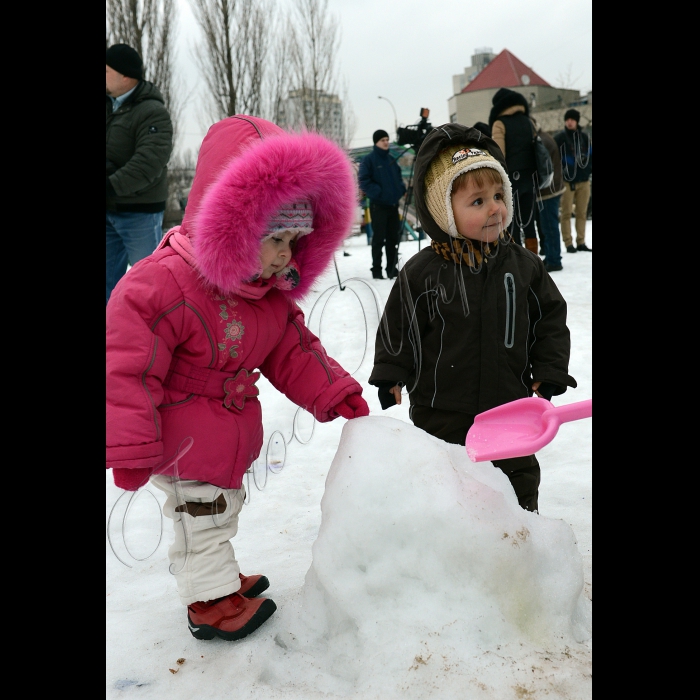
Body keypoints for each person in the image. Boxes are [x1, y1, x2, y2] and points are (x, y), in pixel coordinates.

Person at [106, 115, 370, 642]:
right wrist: (130, 444)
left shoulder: (266, 295)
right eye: (275, 239)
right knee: (198, 516)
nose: (285, 256)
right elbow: (126, 363)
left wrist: (332, 389)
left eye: (295, 241)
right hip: (181, 440)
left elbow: (293, 350)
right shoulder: (165, 284)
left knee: (218, 511)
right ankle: (209, 602)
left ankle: (219, 577)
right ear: (231, 227)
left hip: (223, 440)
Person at [368, 123, 577, 513]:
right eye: (477, 202)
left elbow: (550, 318)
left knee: (518, 477)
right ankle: (450, 549)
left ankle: (522, 537)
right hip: (441, 409)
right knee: (446, 482)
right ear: (443, 212)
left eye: (499, 195)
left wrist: (549, 368)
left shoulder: (525, 265)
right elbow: (401, 325)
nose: (495, 208)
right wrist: (391, 372)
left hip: (509, 402)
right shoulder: (422, 272)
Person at [106, 43, 173, 304]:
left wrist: (110, 185)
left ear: (125, 76)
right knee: (108, 283)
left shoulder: (152, 112)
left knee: (150, 282)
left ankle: (154, 333)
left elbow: (149, 162)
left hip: (139, 213)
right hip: (109, 210)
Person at [488, 88, 540, 254]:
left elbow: (499, 155)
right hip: (530, 176)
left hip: (512, 179)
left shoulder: (499, 123)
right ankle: (534, 259)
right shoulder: (528, 121)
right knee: (529, 221)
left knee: (512, 222)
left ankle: (517, 260)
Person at [358, 129, 407, 279]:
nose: (386, 142)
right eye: (382, 140)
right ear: (376, 142)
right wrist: (378, 192)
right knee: (379, 239)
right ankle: (377, 270)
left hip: (393, 206)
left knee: (393, 238)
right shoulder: (369, 160)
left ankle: (392, 269)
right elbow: (364, 180)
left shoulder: (392, 159)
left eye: (387, 139)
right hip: (378, 206)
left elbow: (398, 179)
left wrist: (400, 190)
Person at [555, 109, 592, 253]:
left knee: (582, 212)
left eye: (572, 119)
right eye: (567, 119)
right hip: (567, 181)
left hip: (583, 180)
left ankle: (581, 241)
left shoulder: (584, 137)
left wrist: (588, 170)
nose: (569, 122)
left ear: (577, 121)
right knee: (566, 213)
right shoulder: (559, 139)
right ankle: (568, 242)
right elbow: (555, 159)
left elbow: (590, 156)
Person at [533, 119, 566, 272]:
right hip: (551, 188)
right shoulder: (543, 137)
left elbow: (543, 167)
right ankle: (551, 256)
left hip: (548, 191)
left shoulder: (541, 140)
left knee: (549, 226)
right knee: (548, 225)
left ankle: (554, 260)